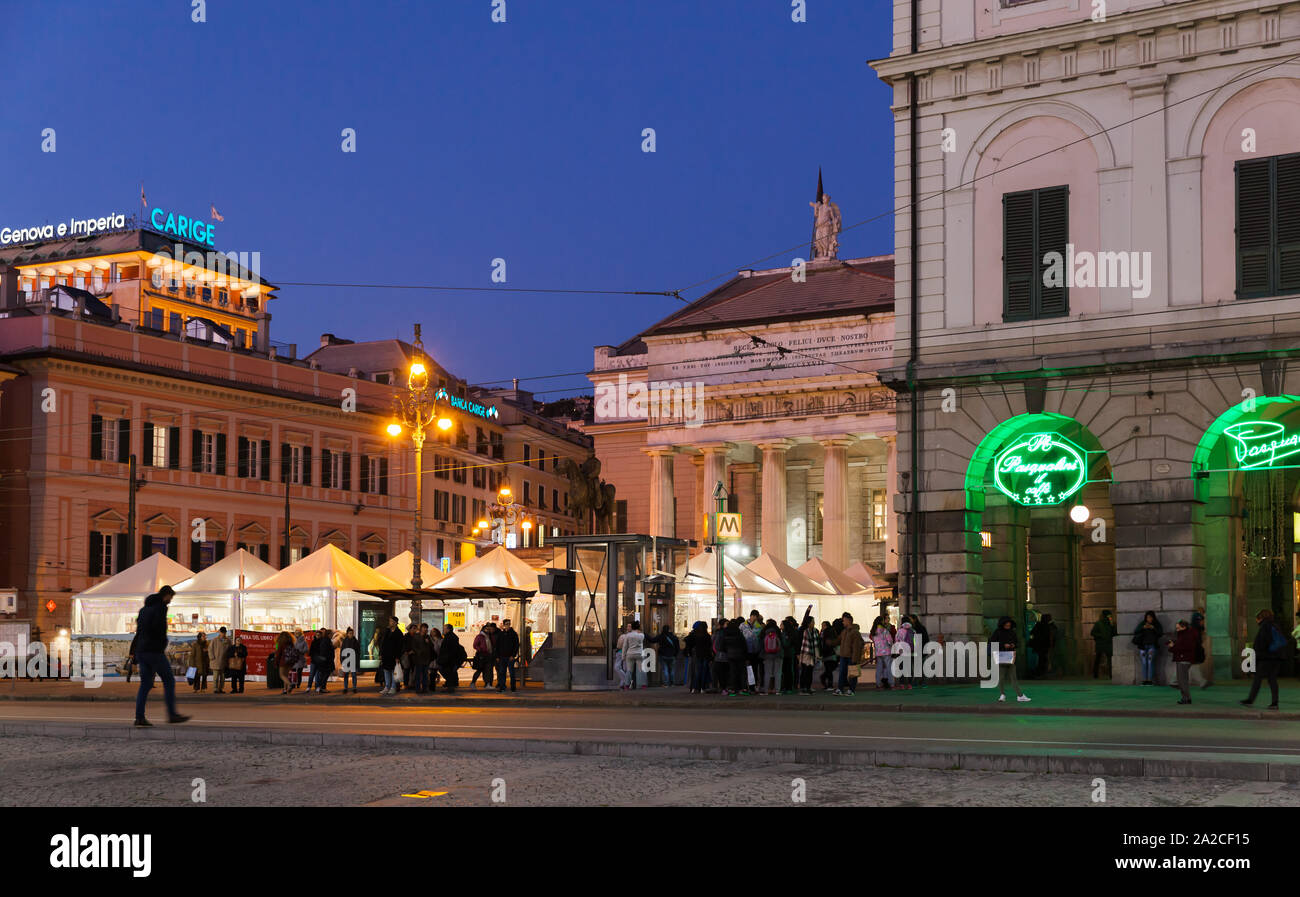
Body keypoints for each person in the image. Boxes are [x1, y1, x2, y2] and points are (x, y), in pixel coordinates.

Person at [132, 585, 190, 726]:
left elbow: (139, 632)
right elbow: (158, 629)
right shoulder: (161, 608)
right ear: (166, 595)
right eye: (170, 597)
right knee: (169, 681)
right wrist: (163, 643)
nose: (170, 600)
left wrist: (134, 654)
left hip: (141, 651)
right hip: (154, 651)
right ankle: (172, 714)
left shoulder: (144, 610)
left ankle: (139, 717)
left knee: (145, 685)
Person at [1241, 609, 1284, 710]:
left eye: (1256, 619)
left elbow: (1262, 643)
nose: (1256, 621)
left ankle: (1250, 700)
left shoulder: (1265, 626)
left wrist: (1257, 655)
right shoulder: (1275, 625)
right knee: (1272, 679)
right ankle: (1274, 703)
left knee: (1257, 678)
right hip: (1276, 657)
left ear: (1260, 618)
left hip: (1267, 657)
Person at [992, 616, 1030, 703]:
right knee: (1001, 677)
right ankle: (1003, 694)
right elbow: (992, 642)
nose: (1008, 626)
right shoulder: (997, 632)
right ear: (1002, 624)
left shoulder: (1012, 632)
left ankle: (1019, 695)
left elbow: (1017, 642)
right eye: (1006, 625)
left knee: (1013, 677)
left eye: (1009, 625)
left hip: (1010, 656)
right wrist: (1003, 645)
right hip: (1001, 656)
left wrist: (1013, 645)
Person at [1168, 620, 1198, 705]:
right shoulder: (1184, 634)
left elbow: (1184, 647)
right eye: (1176, 628)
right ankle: (1186, 697)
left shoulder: (1187, 635)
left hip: (1184, 659)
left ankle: (1186, 698)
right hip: (1183, 659)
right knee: (1181, 680)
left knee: (1182, 680)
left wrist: (1172, 647)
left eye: (1178, 628)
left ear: (1184, 627)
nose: (1177, 629)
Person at [836, 613, 864, 696]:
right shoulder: (844, 631)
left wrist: (855, 658)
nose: (843, 622)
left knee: (852, 674)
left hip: (851, 656)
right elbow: (838, 640)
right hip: (844, 655)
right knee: (842, 673)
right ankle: (840, 689)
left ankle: (851, 690)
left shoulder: (854, 632)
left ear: (849, 621)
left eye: (844, 620)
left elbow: (857, 646)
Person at [1132, 611, 1163, 685]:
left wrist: (1153, 628)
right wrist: (1143, 627)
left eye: (1150, 617)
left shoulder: (1156, 624)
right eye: (1147, 617)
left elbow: (1160, 633)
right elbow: (1136, 631)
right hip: (1143, 646)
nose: (1149, 619)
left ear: (1153, 617)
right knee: (1144, 662)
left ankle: (1150, 680)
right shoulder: (1142, 624)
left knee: (1150, 662)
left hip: (1152, 646)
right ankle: (1144, 680)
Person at [682, 621, 712, 694]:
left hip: (697, 655)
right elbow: (709, 646)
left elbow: (686, 640)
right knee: (704, 672)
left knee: (696, 672)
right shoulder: (707, 635)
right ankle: (703, 688)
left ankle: (695, 688)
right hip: (705, 655)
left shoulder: (695, 635)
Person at [722, 618, 750, 696]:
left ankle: (733, 689)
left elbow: (722, 646)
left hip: (730, 656)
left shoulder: (726, 634)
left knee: (733, 672)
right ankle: (743, 688)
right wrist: (746, 656)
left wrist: (727, 652)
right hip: (741, 656)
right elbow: (744, 646)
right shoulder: (739, 634)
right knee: (742, 672)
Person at [379, 616, 404, 696]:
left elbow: (400, 646)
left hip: (394, 656)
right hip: (386, 655)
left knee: (393, 672)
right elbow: (383, 643)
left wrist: (398, 657)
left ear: (395, 623)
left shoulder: (399, 633)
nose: (390, 623)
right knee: (386, 671)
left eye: (391, 621)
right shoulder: (387, 631)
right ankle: (387, 687)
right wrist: (381, 654)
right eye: (389, 621)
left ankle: (393, 687)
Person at [618, 620, 647, 690]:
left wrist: (623, 656)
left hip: (630, 654)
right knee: (641, 670)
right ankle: (643, 685)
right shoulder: (641, 635)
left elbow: (625, 646)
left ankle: (627, 685)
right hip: (639, 654)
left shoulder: (628, 635)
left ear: (632, 627)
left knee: (629, 670)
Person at [797, 615, 821, 696]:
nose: (814, 623)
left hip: (812, 654)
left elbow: (817, 644)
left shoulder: (815, 631)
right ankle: (803, 688)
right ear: (808, 623)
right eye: (812, 622)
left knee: (810, 672)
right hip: (805, 654)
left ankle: (808, 687)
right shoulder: (804, 631)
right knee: (805, 671)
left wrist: (817, 655)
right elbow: (802, 644)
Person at [495, 618, 520, 692]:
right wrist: (497, 656)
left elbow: (516, 645)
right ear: (503, 625)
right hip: (502, 656)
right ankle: (502, 687)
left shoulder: (513, 634)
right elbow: (497, 646)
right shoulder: (501, 634)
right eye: (506, 624)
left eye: (509, 624)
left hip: (510, 657)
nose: (508, 625)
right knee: (502, 672)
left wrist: (513, 655)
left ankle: (513, 687)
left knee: (511, 673)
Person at [760, 618, 784, 694]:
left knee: (767, 673)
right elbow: (781, 643)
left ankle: (766, 691)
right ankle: (777, 690)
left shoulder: (764, 632)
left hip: (767, 655)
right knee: (778, 672)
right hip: (778, 655)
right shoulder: (778, 631)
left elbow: (761, 644)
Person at [867, 616, 891, 691]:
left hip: (878, 652)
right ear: (882, 621)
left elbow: (872, 638)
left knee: (879, 668)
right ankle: (890, 682)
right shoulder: (885, 630)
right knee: (888, 667)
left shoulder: (874, 631)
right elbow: (890, 640)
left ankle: (878, 683)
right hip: (886, 651)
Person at [1029, 613, 1057, 678]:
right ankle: (1041, 672)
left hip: (1040, 645)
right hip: (1044, 645)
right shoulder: (1048, 626)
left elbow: (1032, 632)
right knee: (1043, 659)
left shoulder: (1039, 624)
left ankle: (1041, 671)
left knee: (1042, 658)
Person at [1090, 610, 1116, 679]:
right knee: (1098, 659)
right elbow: (1092, 633)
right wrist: (1101, 636)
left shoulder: (1111, 624)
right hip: (1101, 644)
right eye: (1109, 616)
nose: (1110, 617)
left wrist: (1112, 626)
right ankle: (1096, 674)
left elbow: (1114, 633)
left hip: (1107, 644)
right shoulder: (1098, 623)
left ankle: (1111, 675)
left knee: (1109, 660)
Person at [438, 624, 464, 691]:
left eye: (444, 629)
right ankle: (452, 684)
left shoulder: (449, 637)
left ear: (448, 629)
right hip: (449, 658)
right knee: (451, 672)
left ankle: (450, 686)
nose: (443, 630)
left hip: (448, 659)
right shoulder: (451, 636)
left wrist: (446, 658)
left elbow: (450, 649)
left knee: (447, 671)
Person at [309, 627, 335, 693]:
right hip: (326, 661)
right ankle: (321, 687)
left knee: (322, 675)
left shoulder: (326, 640)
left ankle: (320, 687)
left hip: (325, 660)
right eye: (331, 634)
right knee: (323, 675)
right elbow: (326, 651)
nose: (332, 635)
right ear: (329, 634)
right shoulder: (326, 641)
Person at [408, 623, 432, 694]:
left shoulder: (427, 637)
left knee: (425, 674)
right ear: (421, 628)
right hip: (418, 659)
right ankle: (418, 688)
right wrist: (419, 652)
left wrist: (428, 642)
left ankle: (425, 688)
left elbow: (431, 646)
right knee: (418, 674)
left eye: (426, 628)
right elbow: (414, 646)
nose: (425, 629)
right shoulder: (416, 636)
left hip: (426, 659)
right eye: (424, 628)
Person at [471, 623, 496, 688]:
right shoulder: (479, 636)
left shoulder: (490, 636)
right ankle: (473, 682)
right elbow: (475, 645)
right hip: (481, 655)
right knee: (479, 670)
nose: (488, 630)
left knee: (488, 670)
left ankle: (487, 684)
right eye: (486, 629)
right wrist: (480, 649)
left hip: (488, 655)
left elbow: (492, 644)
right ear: (483, 629)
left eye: (488, 629)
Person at [893, 619, 915, 689]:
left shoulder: (899, 631)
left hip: (901, 652)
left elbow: (896, 641)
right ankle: (909, 684)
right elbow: (915, 642)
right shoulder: (913, 631)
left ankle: (902, 684)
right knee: (909, 668)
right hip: (909, 651)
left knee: (901, 668)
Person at [208, 627, 230, 694]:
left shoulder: (228, 641)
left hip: (224, 661)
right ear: (219, 632)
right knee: (216, 677)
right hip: (216, 661)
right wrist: (212, 658)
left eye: (224, 632)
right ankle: (215, 688)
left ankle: (221, 688)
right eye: (222, 632)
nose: (223, 633)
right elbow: (210, 649)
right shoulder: (214, 640)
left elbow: (230, 649)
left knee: (223, 677)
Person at [819, 621, 839, 691]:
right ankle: (828, 684)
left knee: (828, 670)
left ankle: (828, 684)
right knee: (829, 670)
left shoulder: (826, 633)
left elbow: (825, 644)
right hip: (831, 654)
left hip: (827, 654)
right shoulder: (830, 632)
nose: (822, 627)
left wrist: (822, 652)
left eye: (823, 625)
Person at [710, 621, 728, 694]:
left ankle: (720, 687)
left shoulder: (717, 633)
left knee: (720, 672)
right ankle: (722, 687)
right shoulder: (721, 633)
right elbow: (715, 645)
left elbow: (714, 645)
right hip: (721, 655)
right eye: (726, 623)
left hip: (718, 655)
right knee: (722, 672)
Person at [340, 627, 360, 693]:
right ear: (347, 634)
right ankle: (345, 688)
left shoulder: (355, 641)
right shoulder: (345, 641)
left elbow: (358, 652)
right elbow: (342, 651)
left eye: (352, 633)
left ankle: (354, 687)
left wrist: (357, 661)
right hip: (346, 661)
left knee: (354, 675)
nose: (351, 634)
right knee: (346, 675)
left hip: (353, 661)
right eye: (350, 633)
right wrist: (342, 661)